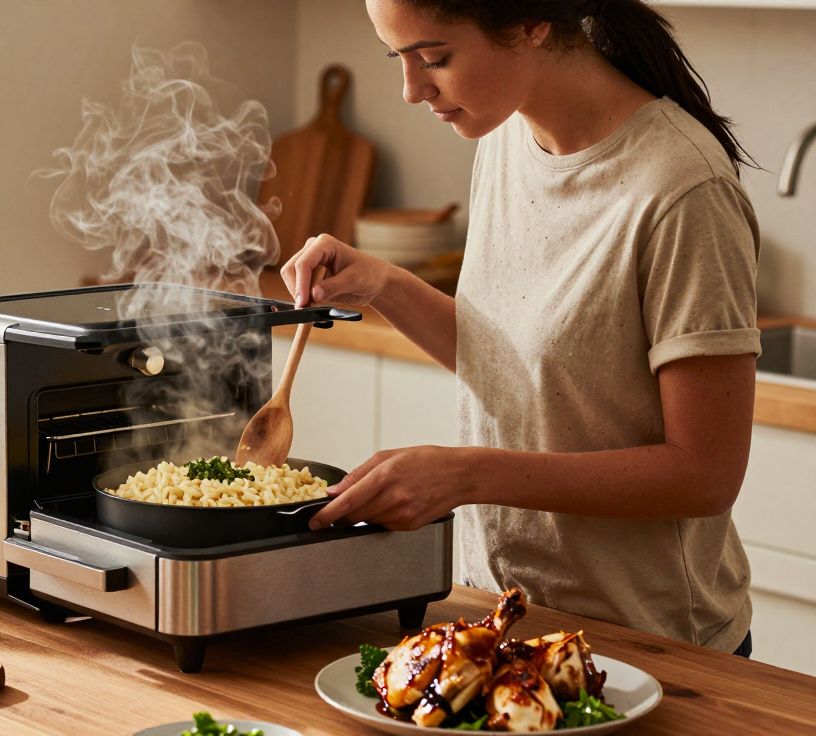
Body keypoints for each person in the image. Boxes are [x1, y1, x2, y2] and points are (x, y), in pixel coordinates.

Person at [281, 0, 759, 657]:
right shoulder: (507, 135)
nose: (412, 90)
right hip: (505, 622)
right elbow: (517, 367)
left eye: (435, 58)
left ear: (532, 23)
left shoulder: (682, 192)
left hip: (648, 645)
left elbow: (704, 475)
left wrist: (468, 475)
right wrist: (384, 285)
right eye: (399, 59)